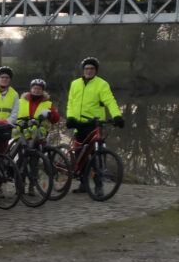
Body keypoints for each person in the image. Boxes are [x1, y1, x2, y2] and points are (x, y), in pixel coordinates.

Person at [65, 57, 124, 193]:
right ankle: (83, 184)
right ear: (83, 70)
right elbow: (71, 103)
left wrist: (117, 116)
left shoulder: (102, 84)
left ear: (95, 70)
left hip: (94, 124)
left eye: (92, 69)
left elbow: (110, 101)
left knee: (95, 155)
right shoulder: (75, 84)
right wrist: (70, 118)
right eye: (86, 68)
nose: (89, 71)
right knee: (80, 155)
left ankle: (98, 185)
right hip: (78, 123)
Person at [16, 78, 60, 196]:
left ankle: (32, 186)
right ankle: (20, 186)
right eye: (34, 88)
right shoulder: (21, 101)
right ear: (31, 89)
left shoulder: (47, 104)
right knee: (22, 162)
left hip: (37, 138)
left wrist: (50, 115)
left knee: (33, 163)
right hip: (23, 137)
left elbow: (56, 119)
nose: (36, 90)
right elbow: (13, 114)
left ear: (42, 91)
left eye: (39, 89)